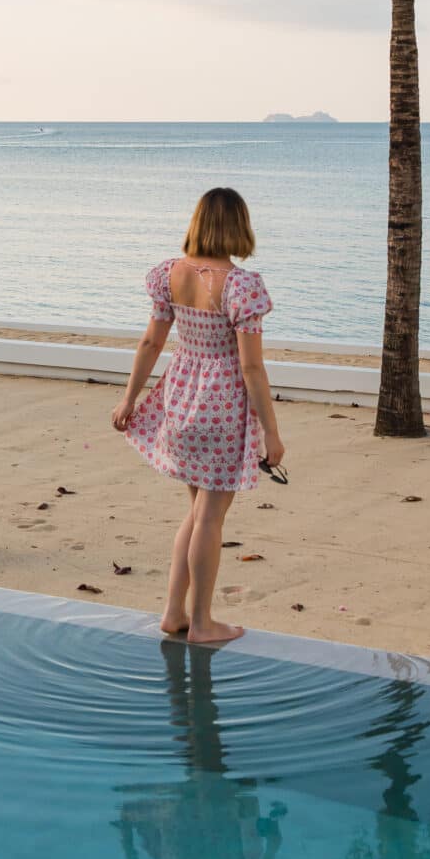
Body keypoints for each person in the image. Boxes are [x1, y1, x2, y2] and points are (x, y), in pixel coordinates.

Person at [111, 187, 286, 645]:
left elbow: (151, 344)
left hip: (181, 397)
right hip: (223, 404)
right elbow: (251, 366)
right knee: (210, 516)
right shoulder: (242, 287)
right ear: (238, 226)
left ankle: (173, 613)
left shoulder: (169, 275)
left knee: (196, 511)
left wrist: (130, 399)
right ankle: (202, 621)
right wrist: (272, 433)